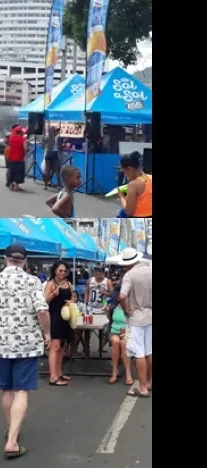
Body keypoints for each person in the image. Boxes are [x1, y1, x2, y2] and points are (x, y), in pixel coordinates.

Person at [0, 244, 51, 460]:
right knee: (21, 391)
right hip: (26, 343)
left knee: (6, 390)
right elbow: (42, 311)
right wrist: (47, 334)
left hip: (0, 344)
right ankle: (12, 441)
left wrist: (0, 322)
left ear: (5, 258)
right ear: (25, 261)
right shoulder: (32, 281)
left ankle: (12, 432)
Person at [118, 248, 152, 398]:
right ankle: (148, 382)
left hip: (136, 317)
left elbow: (122, 296)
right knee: (149, 351)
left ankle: (143, 387)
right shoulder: (150, 270)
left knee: (139, 353)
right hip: (150, 314)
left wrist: (127, 311)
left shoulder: (129, 275)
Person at [45, 260, 77, 386]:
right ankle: (53, 376)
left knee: (62, 346)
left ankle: (59, 372)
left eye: (65, 271)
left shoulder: (68, 283)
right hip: (54, 317)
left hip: (66, 316)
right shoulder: (51, 283)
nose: (62, 273)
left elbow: (73, 297)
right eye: (60, 270)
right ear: (55, 271)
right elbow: (45, 300)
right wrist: (53, 294)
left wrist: (72, 301)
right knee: (55, 346)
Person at [106, 281, 133, 386]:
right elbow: (109, 320)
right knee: (116, 341)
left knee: (123, 343)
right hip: (114, 331)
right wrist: (106, 310)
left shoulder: (131, 306)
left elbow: (133, 323)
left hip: (128, 331)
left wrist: (126, 332)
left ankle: (128, 373)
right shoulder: (113, 306)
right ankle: (114, 372)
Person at [117, 151, 152, 218]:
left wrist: (121, 196)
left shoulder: (133, 184)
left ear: (129, 169)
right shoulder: (150, 178)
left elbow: (129, 212)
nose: (125, 175)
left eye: (124, 171)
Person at [6, 125, 29, 191]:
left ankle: (11, 185)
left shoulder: (11, 138)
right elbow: (26, 149)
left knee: (12, 171)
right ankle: (16, 186)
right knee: (19, 173)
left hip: (11, 158)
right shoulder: (22, 139)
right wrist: (27, 143)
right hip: (19, 159)